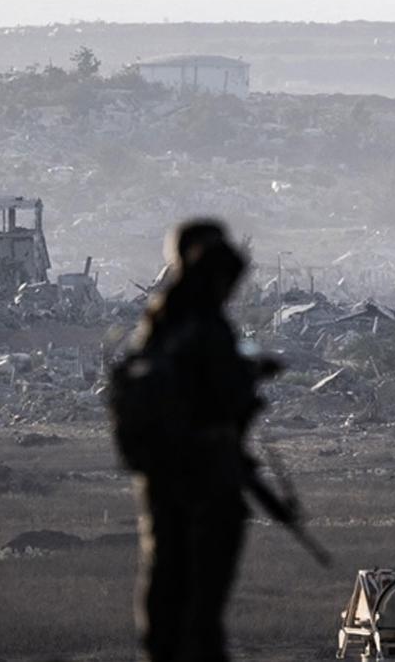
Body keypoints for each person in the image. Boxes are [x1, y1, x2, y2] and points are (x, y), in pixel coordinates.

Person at [117, 219, 284, 662]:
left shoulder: (157, 325)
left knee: (164, 600)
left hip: (161, 487)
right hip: (205, 486)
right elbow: (228, 401)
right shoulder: (205, 329)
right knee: (199, 615)